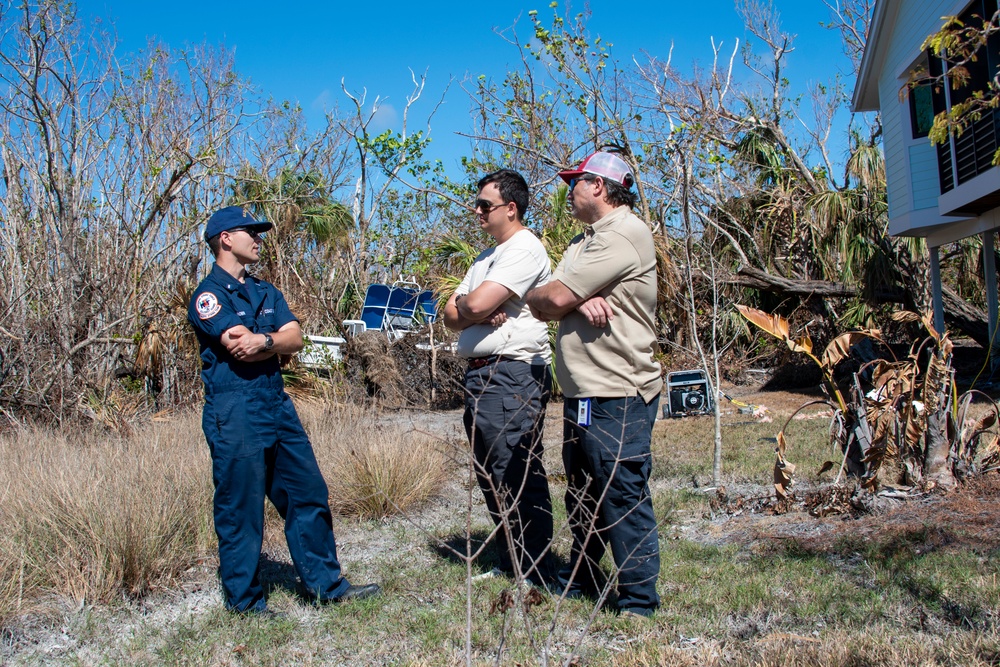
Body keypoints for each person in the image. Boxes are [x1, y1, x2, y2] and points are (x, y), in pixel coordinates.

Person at [188, 205, 381, 616]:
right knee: (241, 508)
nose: (258, 239)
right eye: (250, 232)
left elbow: (294, 339)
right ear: (225, 239)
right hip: (235, 408)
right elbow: (237, 343)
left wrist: (267, 342)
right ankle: (245, 603)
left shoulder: (267, 291)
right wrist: (269, 339)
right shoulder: (207, 295)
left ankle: (326, 586)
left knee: (306, 492)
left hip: (276, 404)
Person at [525, 151, 663, 617]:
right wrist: (574, 301)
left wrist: (565, 298)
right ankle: (582, 577)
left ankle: (639, 600)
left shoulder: (624, 233)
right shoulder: (584, 243)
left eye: (575, 183)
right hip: (584, 393)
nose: (569, 192)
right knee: (583, 489)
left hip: (618, 391)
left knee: (621, 490)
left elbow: (555, 295)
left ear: (599, 187)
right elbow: (538, 299)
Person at [443, 169, 555, 587]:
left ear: (511, 208)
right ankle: (514, 561)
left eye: (485, 205)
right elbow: (452, 314)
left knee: (517, 471)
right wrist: (470, 304)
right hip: (480, 376)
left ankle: (538, 569)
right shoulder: (484, 257)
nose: (477, 211)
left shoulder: (524, 248)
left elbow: (475, 302)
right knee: (490, 474)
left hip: (510, 375)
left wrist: (472, 303)